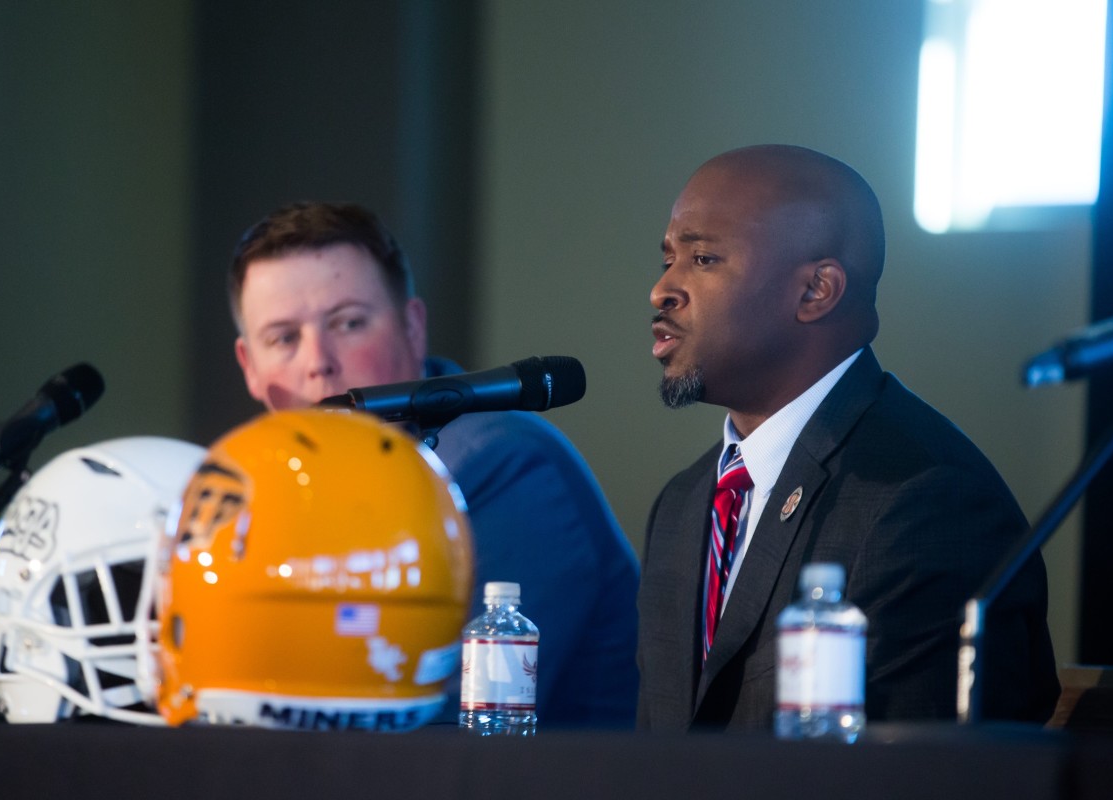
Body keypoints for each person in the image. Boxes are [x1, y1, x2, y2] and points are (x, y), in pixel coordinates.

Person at [637, 144, 1059, 732]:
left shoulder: (928, 502)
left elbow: (917, 780)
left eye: (703, 259)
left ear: (816, 291)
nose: (663, 290)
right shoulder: (683, 504)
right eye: (668, 258)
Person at [228, 201, 640, 728]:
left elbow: (432, 729)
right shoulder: (265, 495)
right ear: (251, 368)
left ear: (413, 326)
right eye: (284, 338)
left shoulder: (502, 464)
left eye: (349, 323)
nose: (317, 362)